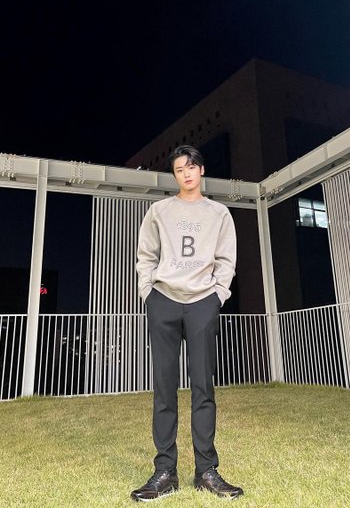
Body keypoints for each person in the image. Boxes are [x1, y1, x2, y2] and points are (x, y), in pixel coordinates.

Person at [131, 145, 244, 502]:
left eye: (192, 167)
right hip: (163, 300)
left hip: (202, 303)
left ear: (202, 170)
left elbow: (226, 259)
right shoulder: (159, 211)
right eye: (180, 169)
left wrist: (217, 296)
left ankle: (206, 471)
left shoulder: (219, 213)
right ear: (175, 175)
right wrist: (148, 293)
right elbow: (146, 255)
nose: (187, 174)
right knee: (164, 388)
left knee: (202, 387)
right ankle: (165, 472)